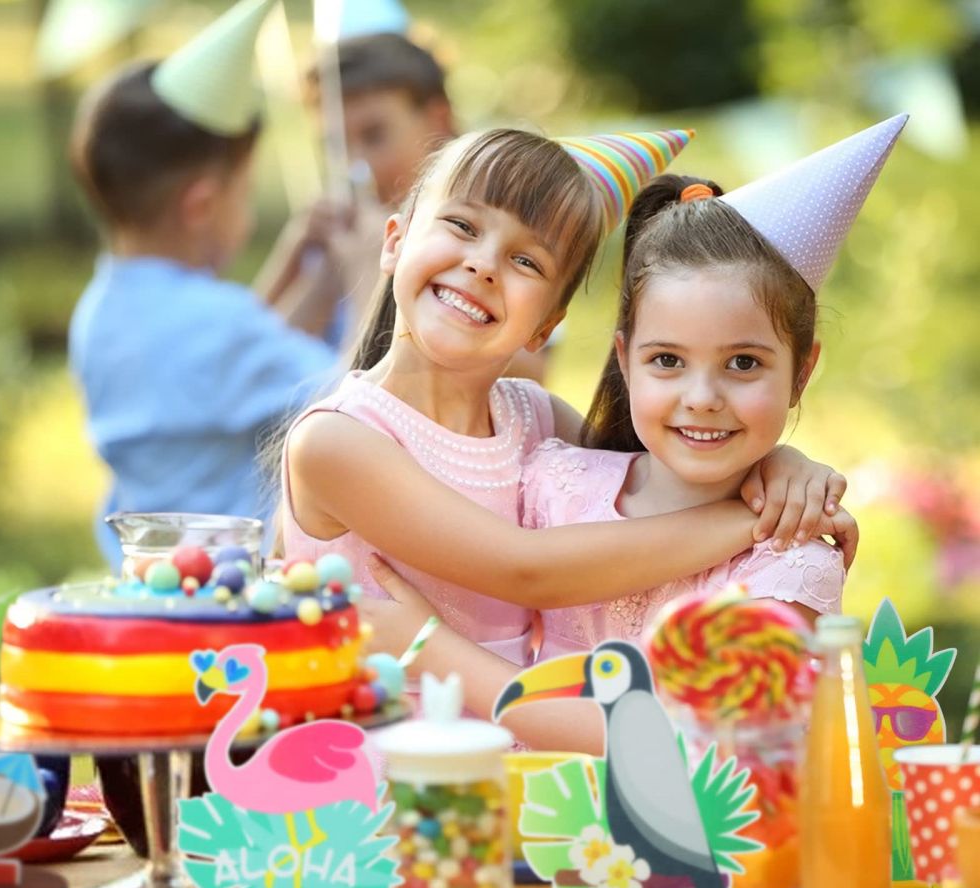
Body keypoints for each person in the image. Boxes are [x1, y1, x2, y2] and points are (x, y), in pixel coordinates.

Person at [279, 127, 853, 735]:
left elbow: (655, 477)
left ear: (547, 323)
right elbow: (528, 570)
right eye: (463, 227)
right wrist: (759, 521)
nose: (482, 265)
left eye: (526, 260)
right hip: (367, 758)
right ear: (394, 241)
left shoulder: (535, 421)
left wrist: (780, 466)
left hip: (517, 768)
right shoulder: (338, 441)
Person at [68, 0, 338, 570]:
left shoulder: (102, 309)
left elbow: (230, 369)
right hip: (230, 596)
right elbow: (349, 402)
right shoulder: (216, 322)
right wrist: (370, 274)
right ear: (203, 205)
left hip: (148, 580)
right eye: (244, 190)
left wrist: (301, 269)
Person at [268, 32, 551, 380]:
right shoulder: (351, 228)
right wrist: (295, 257)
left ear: (438, 119)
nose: (355, 165)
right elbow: (255, 368)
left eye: (374, 135)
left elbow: (531, 373)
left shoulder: (498, 226)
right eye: (337, 146)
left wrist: (370, 270)